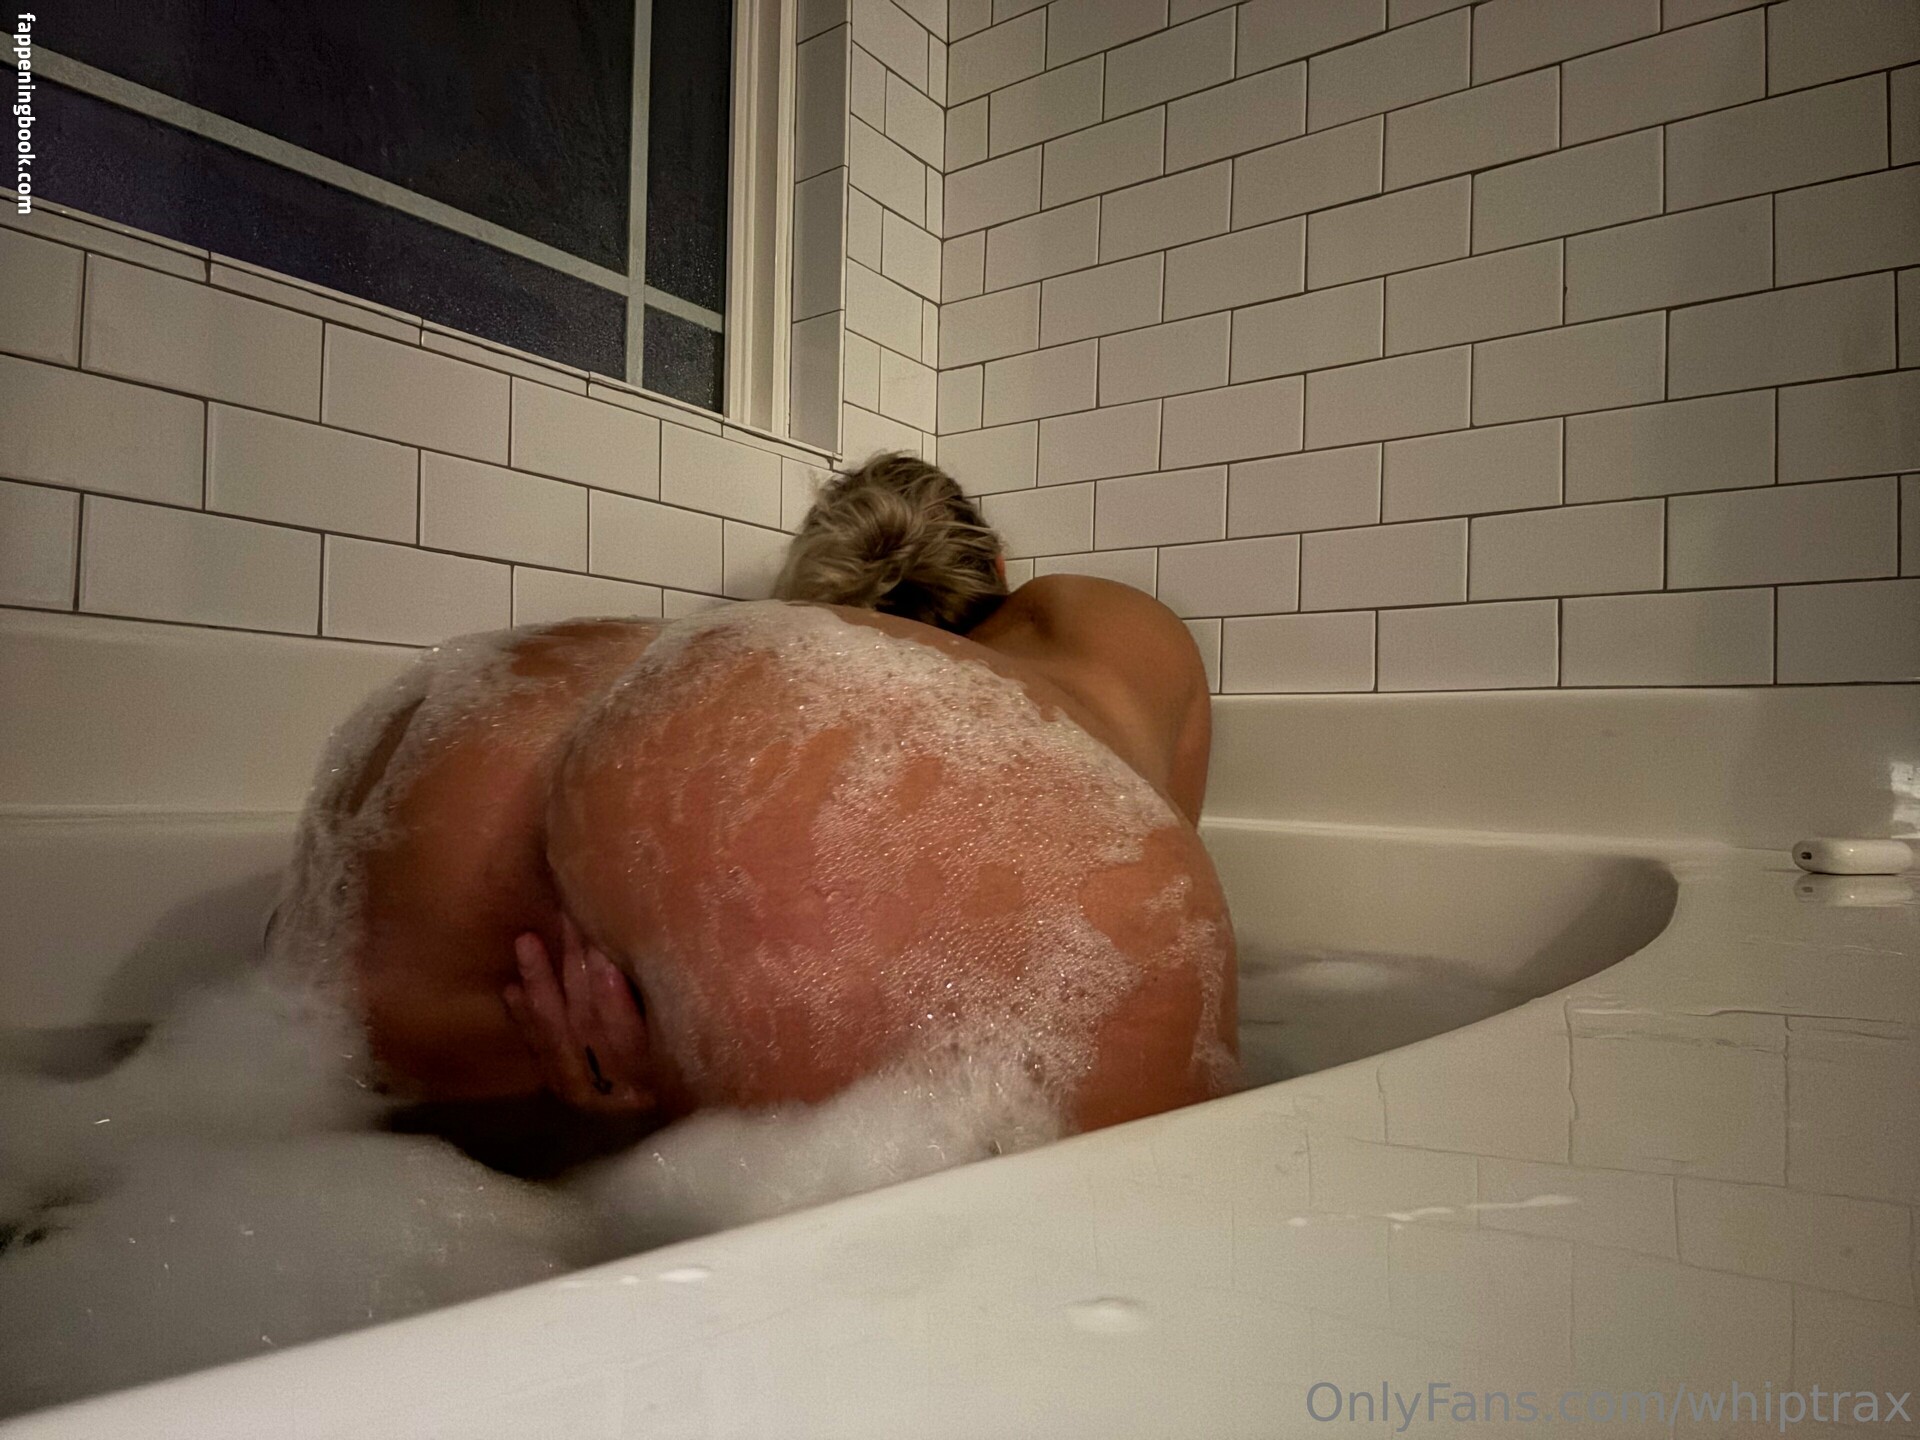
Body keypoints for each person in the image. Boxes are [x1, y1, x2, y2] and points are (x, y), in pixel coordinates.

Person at [272, 453, 1235, 1173]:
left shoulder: (721, 657)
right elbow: (1148, 849)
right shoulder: (1090, 623)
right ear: (992, 562)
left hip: (478, 720)